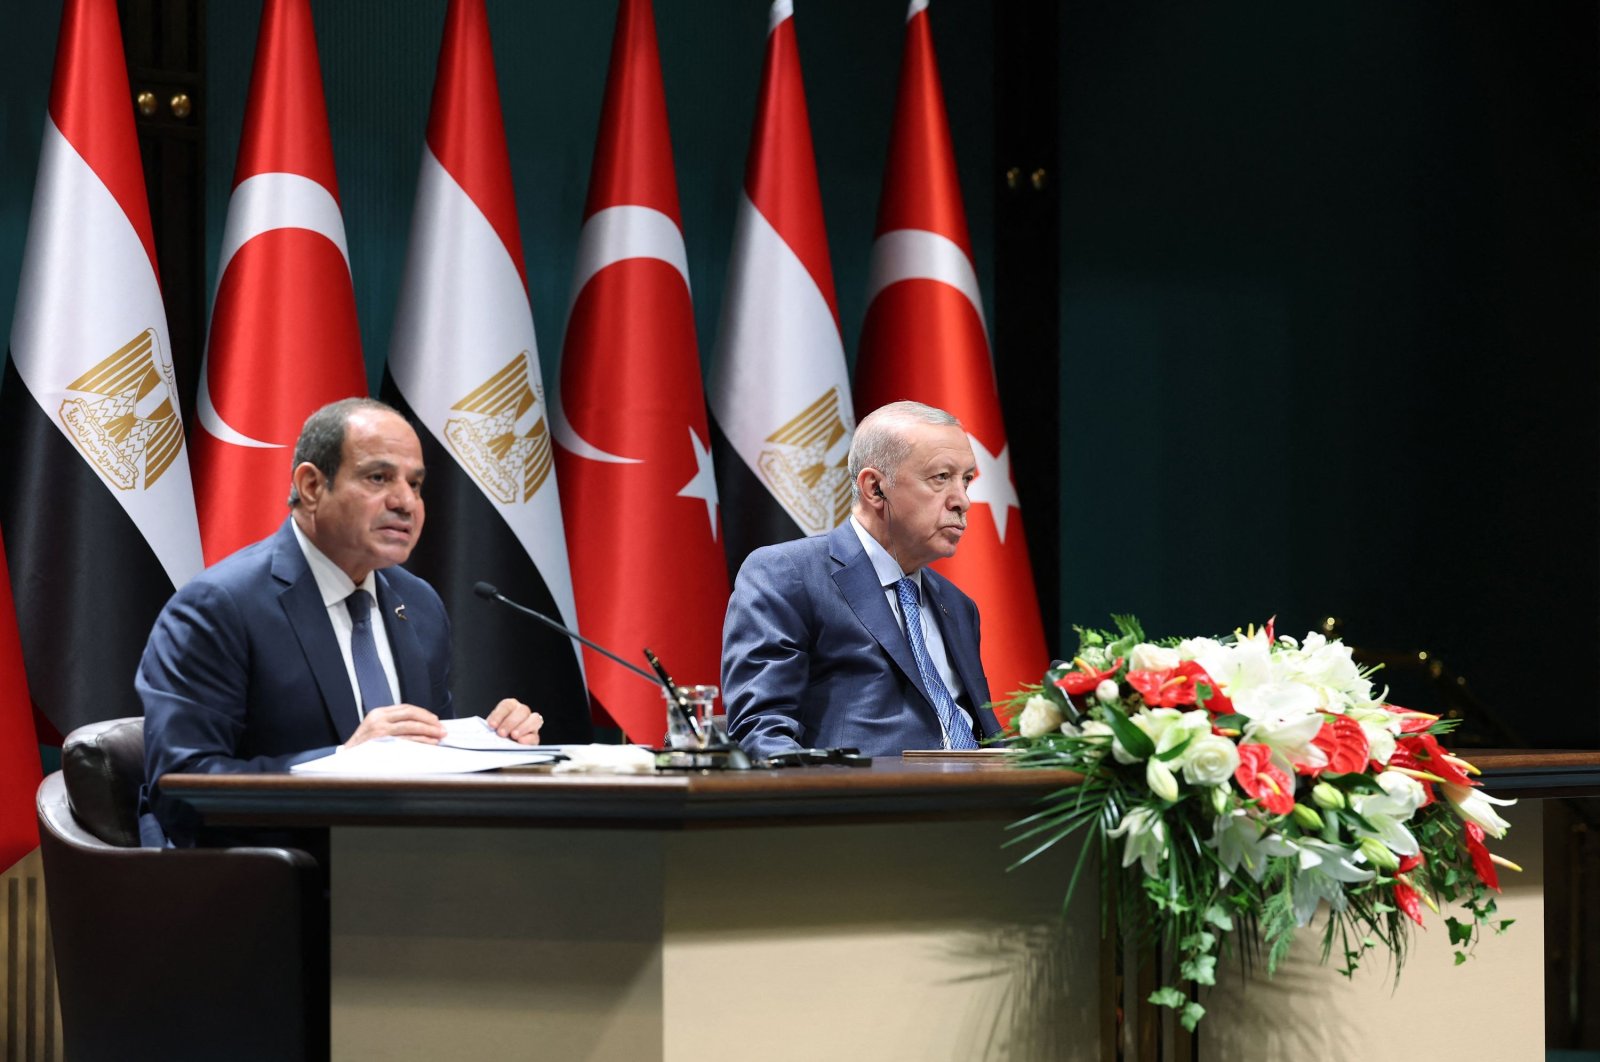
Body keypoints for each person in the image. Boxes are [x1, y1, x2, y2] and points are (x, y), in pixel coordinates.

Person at [139, 398, 542, 845]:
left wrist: (492, 749)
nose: (406, 502)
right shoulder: (220, 607)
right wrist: (342, 763)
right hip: (276, 882)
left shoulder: (419, 604)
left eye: (416, 484)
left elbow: (432, 763)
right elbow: (179, 787)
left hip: (406, 870)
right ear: (312, 485)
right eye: (378, 478)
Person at [722, 400, 1001, 758]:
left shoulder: (958, 605)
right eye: (941, 478)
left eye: (966, 480)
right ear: (875, 489)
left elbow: (982, 733)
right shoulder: (788, 574)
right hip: (859, 805)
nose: (962, 500)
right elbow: (761, 731)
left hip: (976, 801)